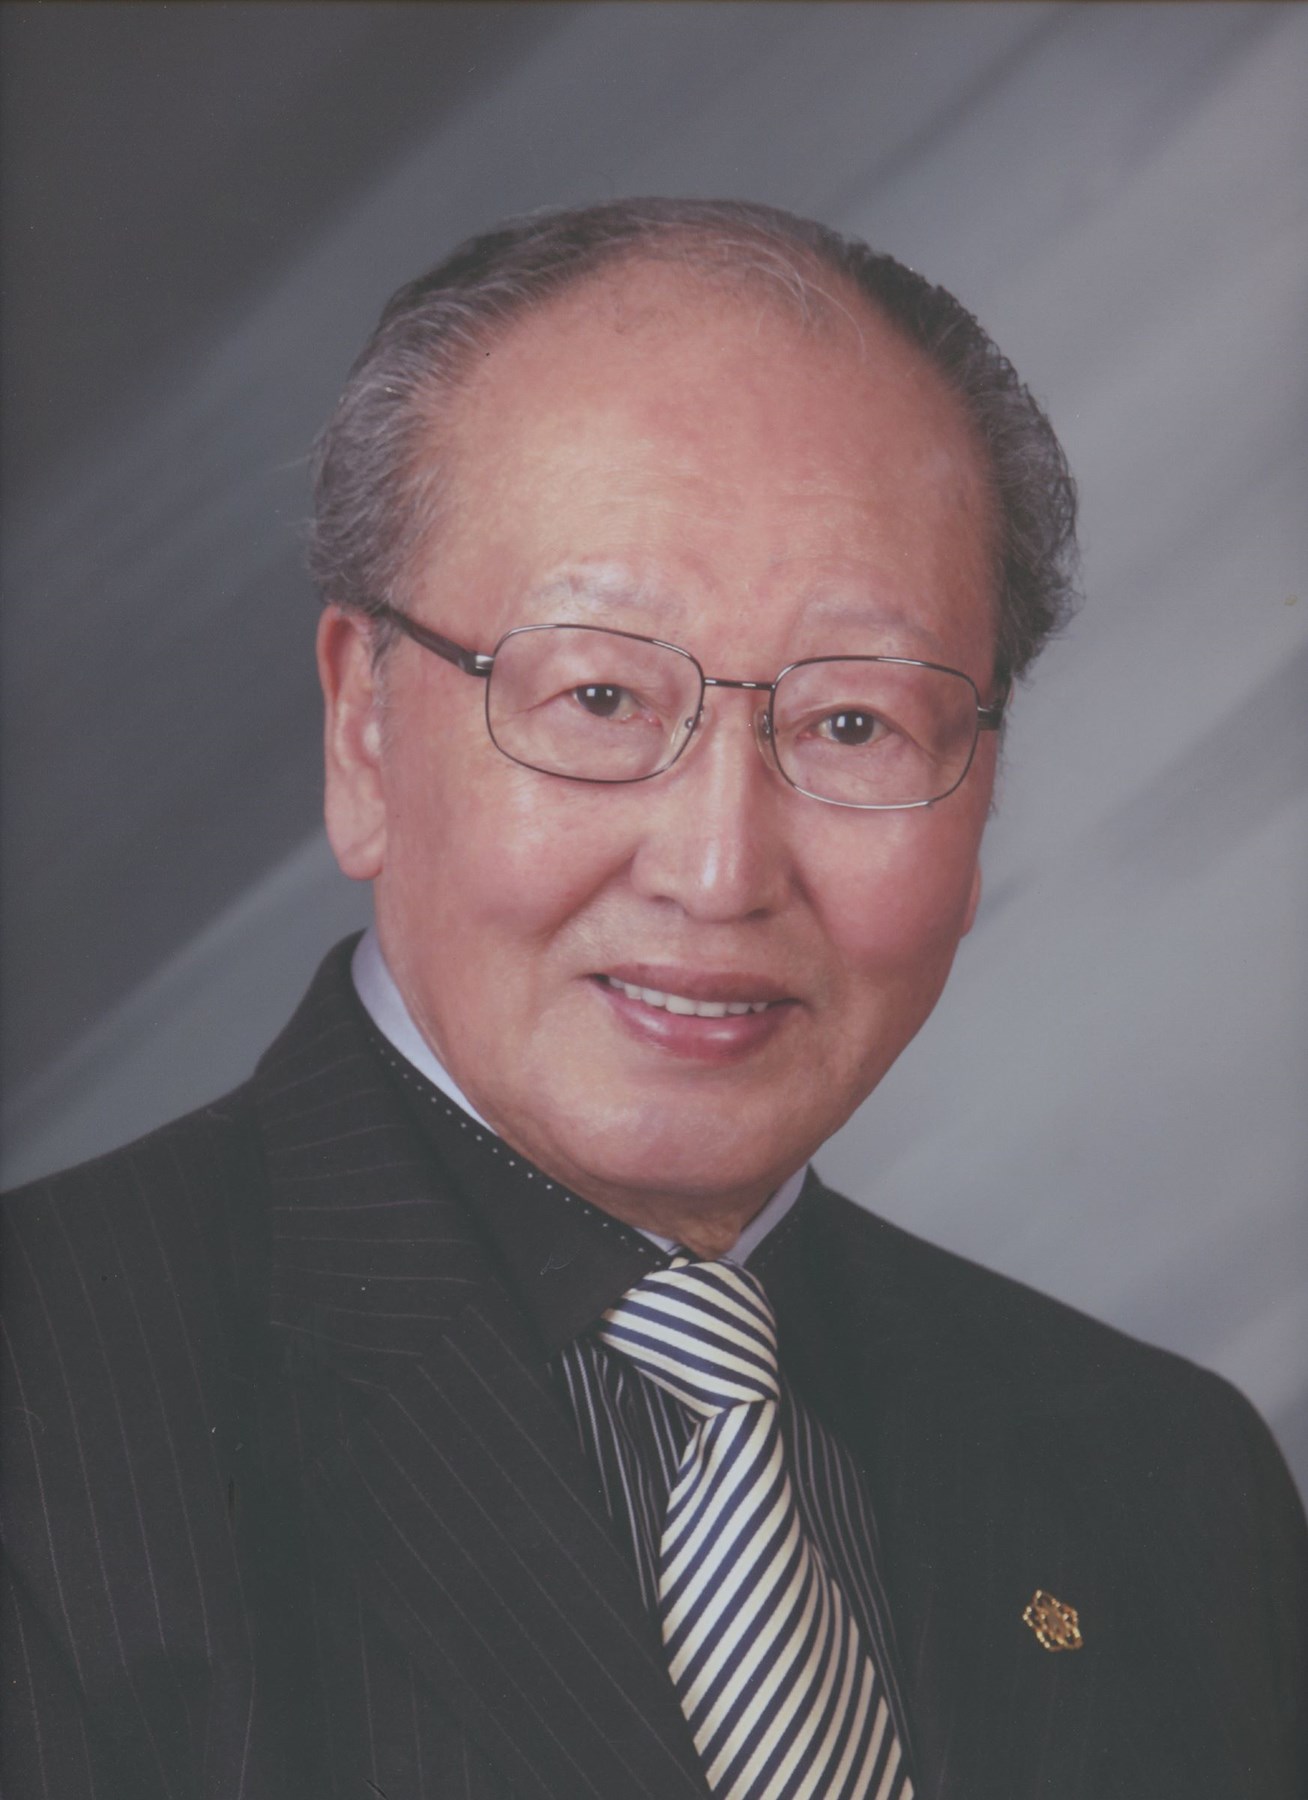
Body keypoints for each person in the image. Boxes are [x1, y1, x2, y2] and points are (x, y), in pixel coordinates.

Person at [3, 199, 1304, 1800]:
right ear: (363, 733)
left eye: (852, 726)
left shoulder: (1172, 1485)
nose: (718, 869)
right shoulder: (45, 1417)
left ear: (981, 792)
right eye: (603, 695)